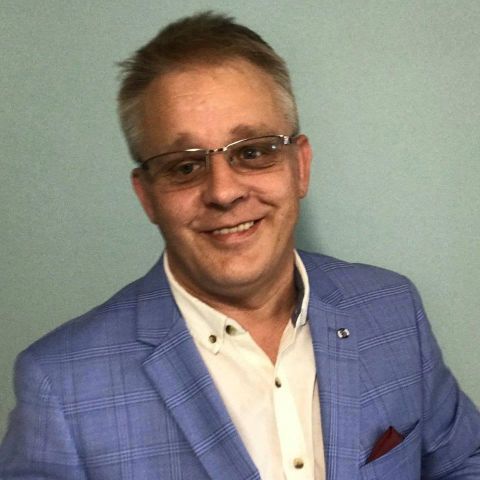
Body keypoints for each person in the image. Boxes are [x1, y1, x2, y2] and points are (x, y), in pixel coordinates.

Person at [1, 11, 479, 480]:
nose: (224, 191)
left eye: (252, 152)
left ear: (300, 167)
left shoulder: (392, 310)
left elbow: (463, 463)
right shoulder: (61, 386)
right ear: (147, 196)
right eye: (184, 166)